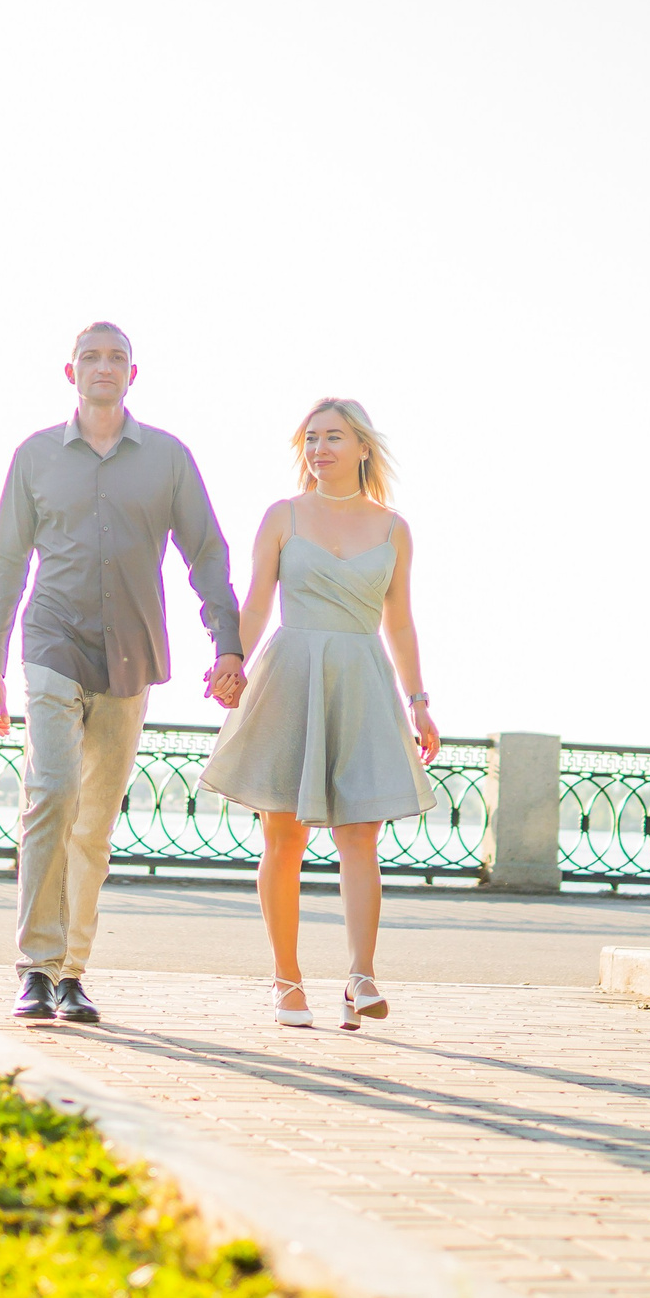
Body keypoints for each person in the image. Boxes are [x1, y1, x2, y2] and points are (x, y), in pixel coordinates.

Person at [0, 322, 246, 1023]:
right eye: (91, 356)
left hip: (130, 652)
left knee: (94, 824)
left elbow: (207, 552)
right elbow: (6, 563)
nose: (104, 366)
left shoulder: (167, 458)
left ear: (134, 374)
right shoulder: (35, 457)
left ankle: (71, 973)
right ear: (70, 373)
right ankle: (34, 967)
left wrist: (228, 642)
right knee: (52, 791)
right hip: (51, 641)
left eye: (116, 357)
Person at [200, 399, 439, 1030]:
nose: (320, 449)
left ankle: (361, 977)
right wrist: (231, 661)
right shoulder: (283, 516)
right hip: (291, 675)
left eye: (334, 437)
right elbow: (254, 604)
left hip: (362, 679)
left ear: (364, 448)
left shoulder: (394, 528)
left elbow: (401, 621)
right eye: (311, 439)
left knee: (360, 834)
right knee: (284, 835)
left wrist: (419, 702)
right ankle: (287, 981)